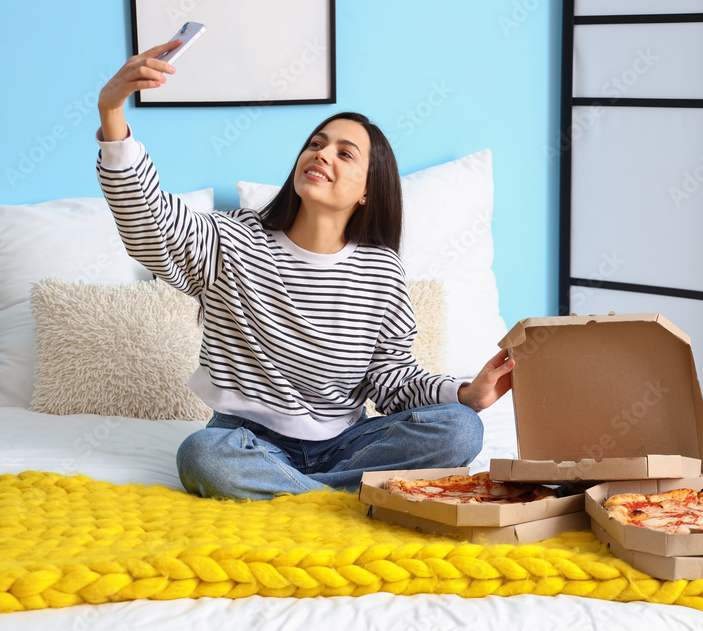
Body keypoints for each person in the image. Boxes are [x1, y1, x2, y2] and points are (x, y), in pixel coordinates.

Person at [96, 40, 515, 500]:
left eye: (344, 153)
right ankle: (340, 498)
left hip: (346, 446)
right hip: (247, 440)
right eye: (316, 144)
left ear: (367, 193)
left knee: (460, 430)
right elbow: (149, 224)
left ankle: (297, 495)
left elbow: (392, 379)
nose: (321, 154)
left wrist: (466, 395)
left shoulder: (380, 271)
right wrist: (113, 114)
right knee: (202, 456)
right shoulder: (232, 239)